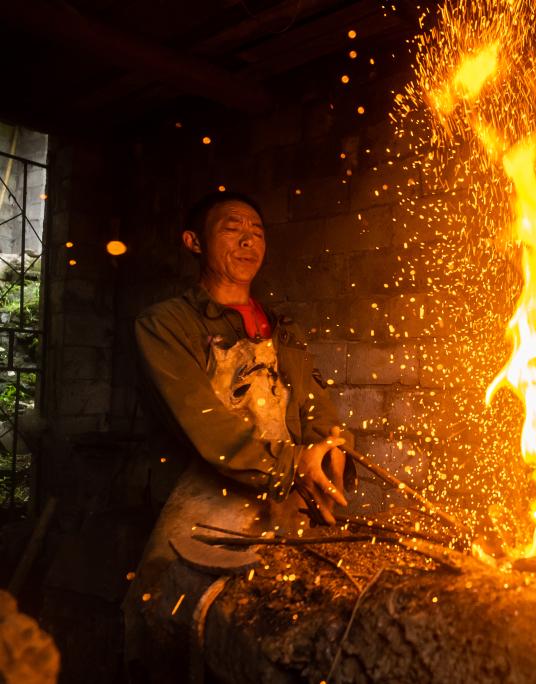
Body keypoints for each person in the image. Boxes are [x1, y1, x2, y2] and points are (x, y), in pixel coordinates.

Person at [123, 191, 355, 682]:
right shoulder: (167, 324)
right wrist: (295, 464)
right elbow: (204, 423)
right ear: (193, 242)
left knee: (282, 638)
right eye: (232, 227)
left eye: (258, 229)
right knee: (161, 623)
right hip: (202, 502)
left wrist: (331, 451)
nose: (250, 238)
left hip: (283, 504)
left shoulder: (283, 329)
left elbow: (315, 408)